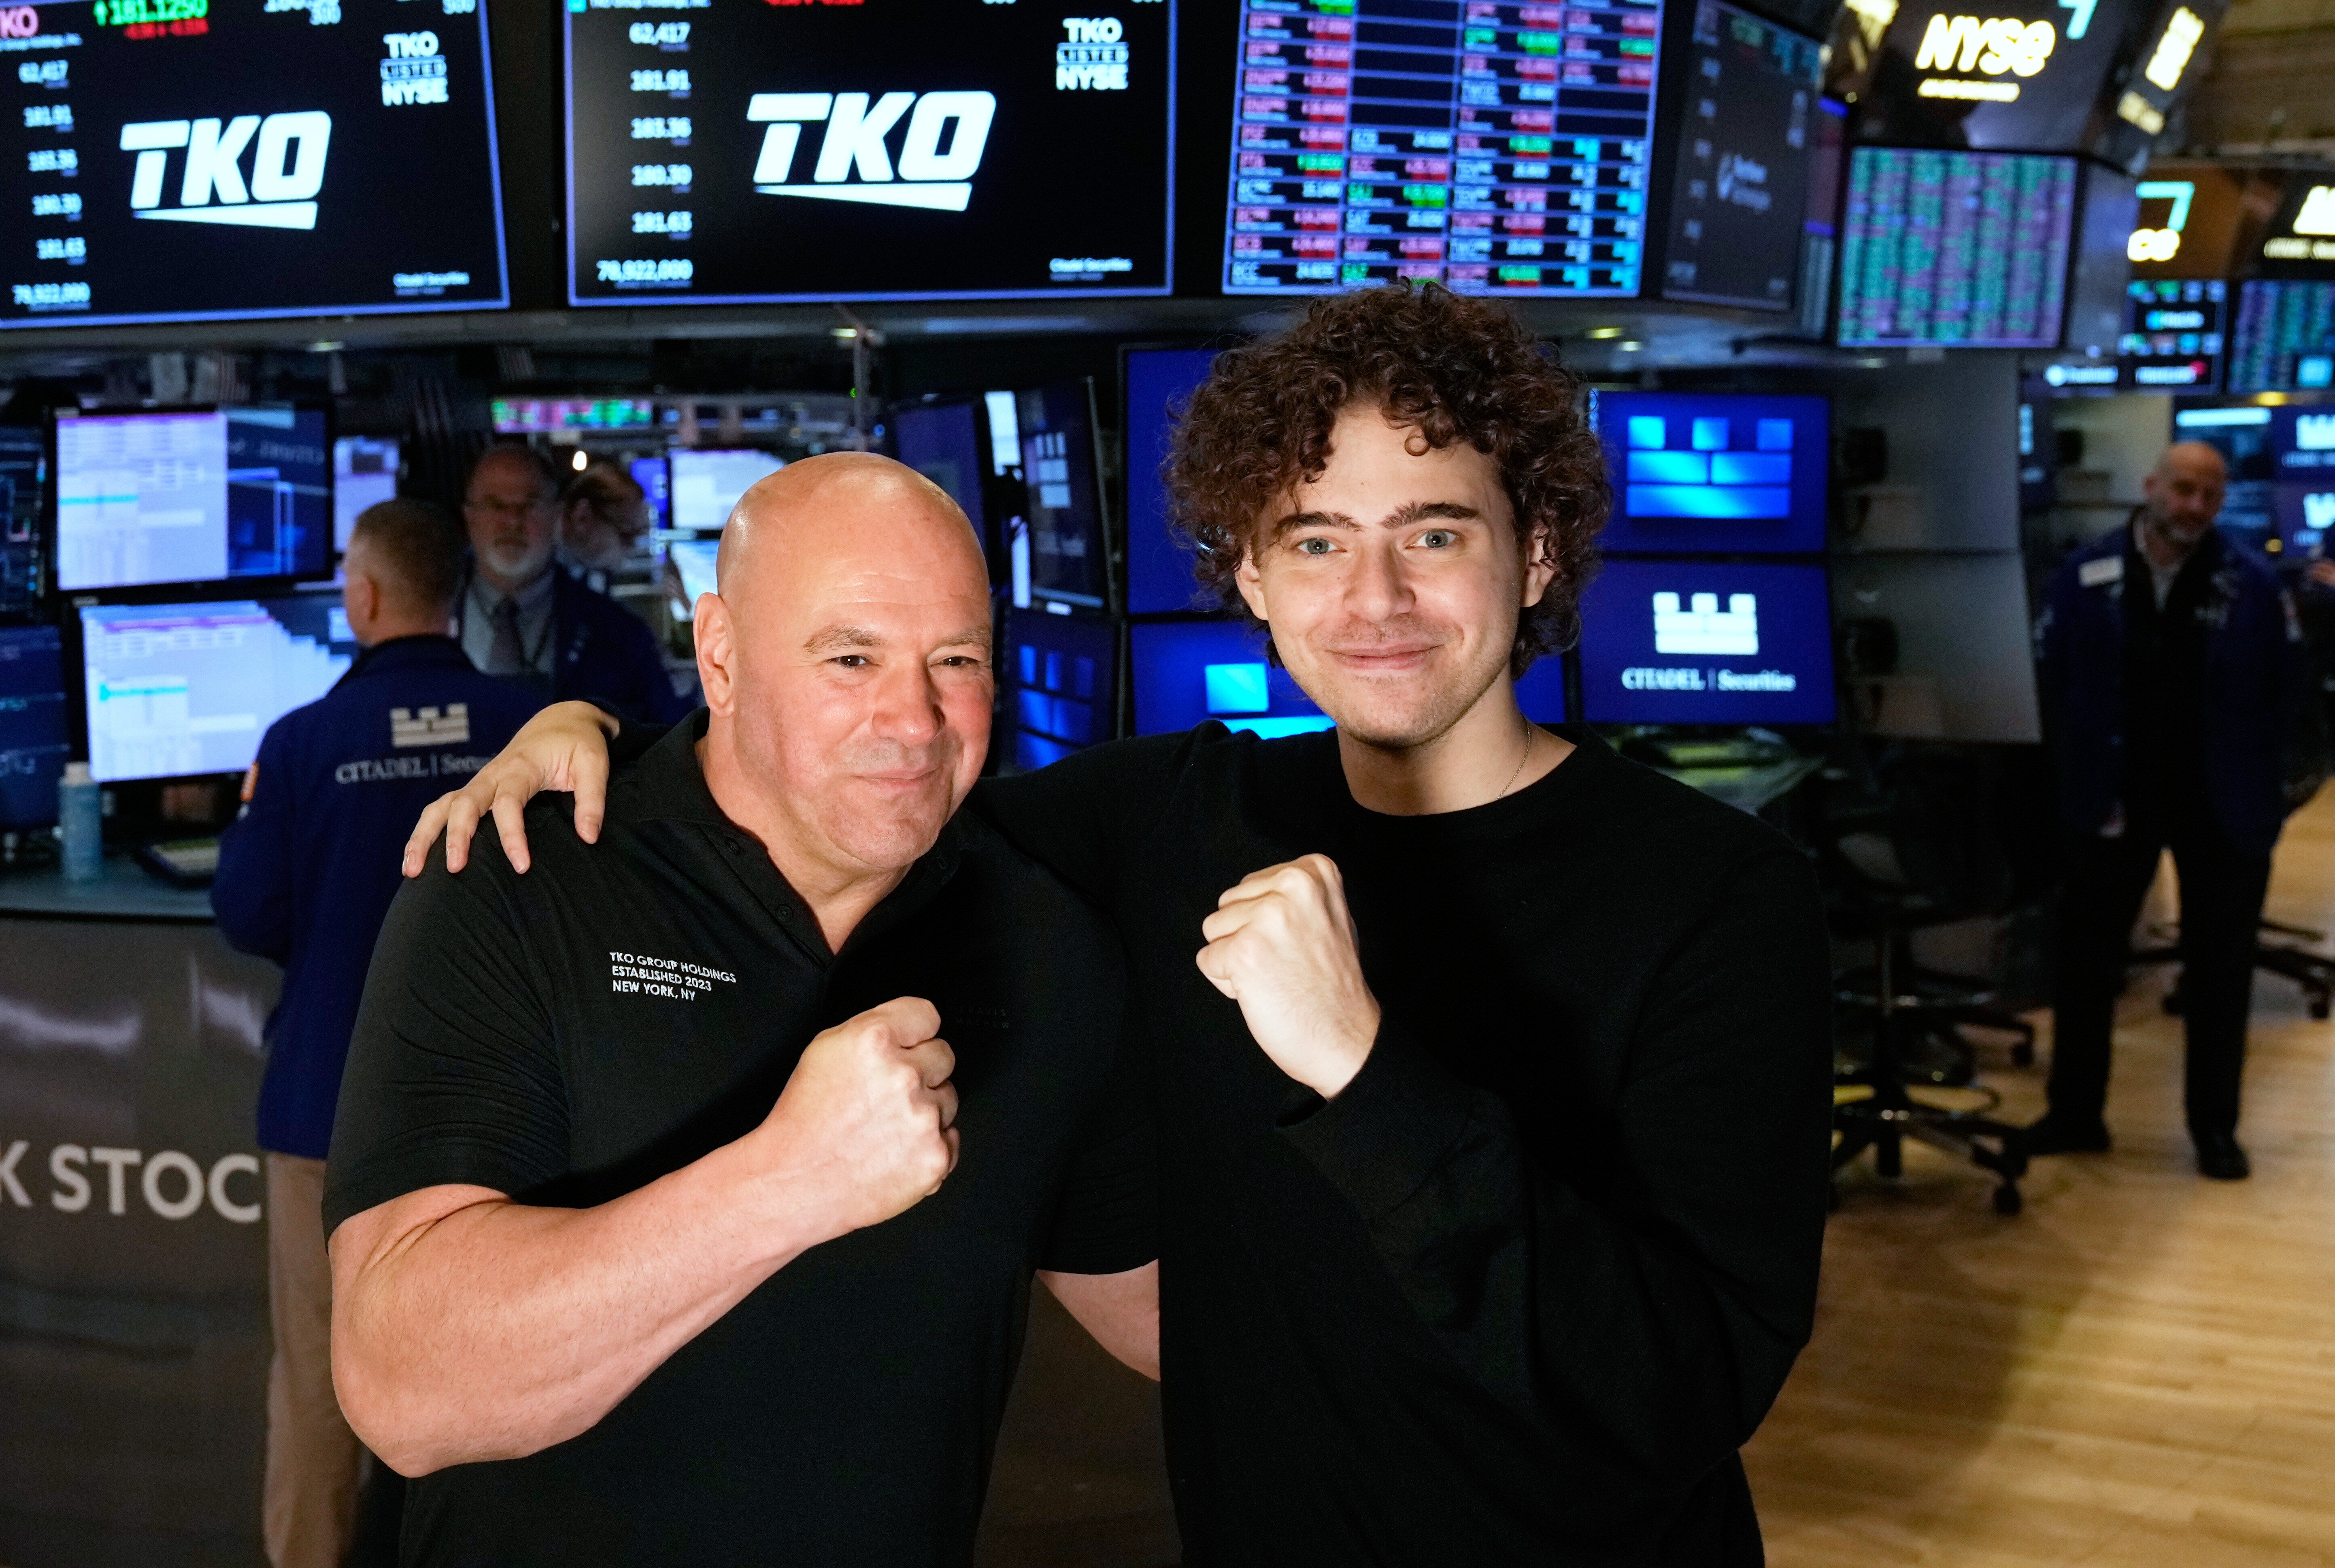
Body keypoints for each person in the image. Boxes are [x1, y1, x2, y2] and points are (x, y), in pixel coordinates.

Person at [414, 283, 1834, 1567]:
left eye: (1435, 533)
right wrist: (591, 732)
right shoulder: (1172, 817)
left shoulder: (1717, 895)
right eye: (1316, 539)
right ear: (1252, 577)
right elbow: (878, 778)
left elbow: (1686, 1387)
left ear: (1534, 556)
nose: (1375, 598)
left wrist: (1364, 1071)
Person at [324, 454, 1157, 1566]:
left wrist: (1363, 1111)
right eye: (851, 657)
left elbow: (1163, 1314)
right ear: (719, 655)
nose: (914, 720)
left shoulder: (1045, 938)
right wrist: (787, 1181)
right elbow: (400, 1384)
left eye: (955, 659)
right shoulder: (524, 872)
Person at [211, 499, 555, 1568]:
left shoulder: (302, 743)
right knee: (499, 1390)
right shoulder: (534, 724)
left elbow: (248, 912)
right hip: (506, 1121)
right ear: (454, 592)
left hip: (329, 1111)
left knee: (320, 1390)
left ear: (361, 598)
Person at [2027, 438, 2305, 1180]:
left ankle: (2214, 1128)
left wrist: (2271, 790)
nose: (2193, 506)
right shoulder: (2086, 574)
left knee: (2219, 973)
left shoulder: (2250, 584)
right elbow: (2051, 682)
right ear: (2150, 484)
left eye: (2209, 495)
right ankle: (2074, 1112)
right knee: (2085, 965)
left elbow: (2288, 694)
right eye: (2182, 489)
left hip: (2220, 804)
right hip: (2111, 797)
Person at [455, 443, 683, 723]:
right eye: (495, 505)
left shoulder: (621, 637)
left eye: (530, 505)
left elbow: (666, 732)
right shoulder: (422, 617)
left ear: (556, 514)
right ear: (469, 515)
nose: (512, 521)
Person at [555, 463, 652, 590]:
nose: (632, 549)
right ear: (582, 517)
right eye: (627, 536)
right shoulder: (534, 563)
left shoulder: (594, 572)